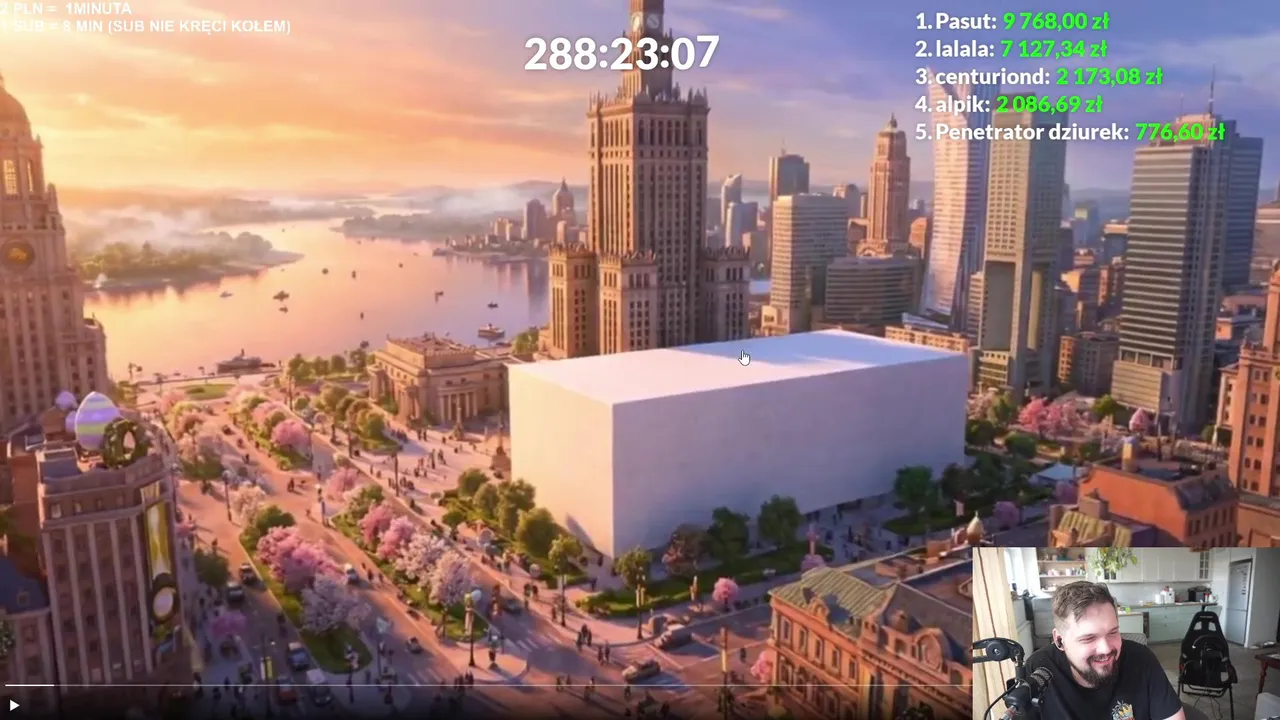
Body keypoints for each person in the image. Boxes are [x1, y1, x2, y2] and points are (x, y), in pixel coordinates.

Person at [1026, 581, 1185, 720]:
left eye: (1113, 632)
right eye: (1089, 638)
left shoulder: (1141, 658)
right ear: (1060, 640)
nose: (1106, 648)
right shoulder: (1040, 669)